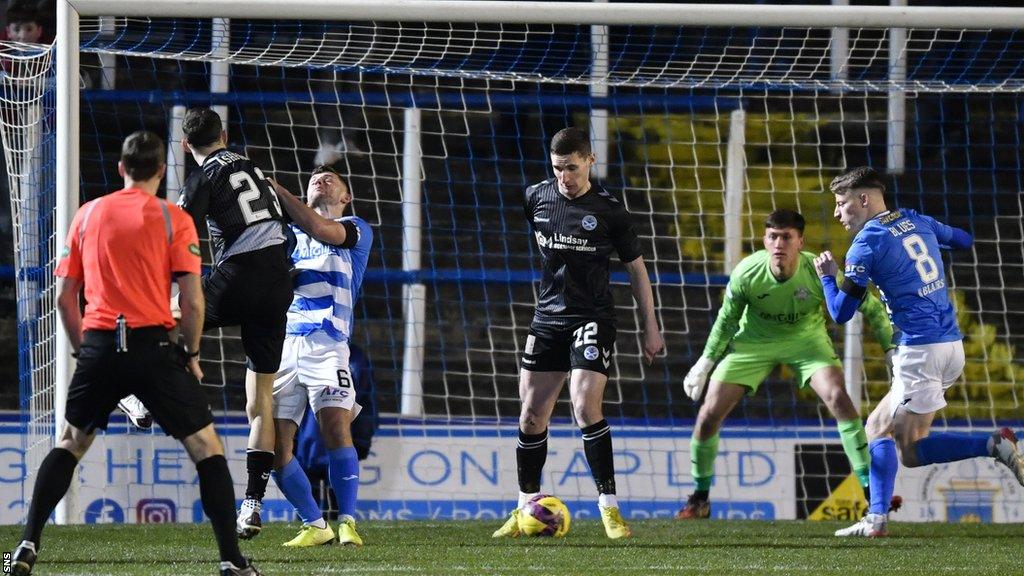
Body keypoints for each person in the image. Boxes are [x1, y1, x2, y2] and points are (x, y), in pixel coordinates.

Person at [7, 132, 259, 576]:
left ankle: (27, 544)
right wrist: (193, 351)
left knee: (70, 443)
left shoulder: (87, 215)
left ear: (121, 169)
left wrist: (84, 350)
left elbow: (65, 298)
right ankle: (231, 561)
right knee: (206, 448)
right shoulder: (172, 220)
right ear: (161, 172)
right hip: (153, 347)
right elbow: (194, 300)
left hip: (101, 345)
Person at [816, 166, 1024, 537]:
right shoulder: (915, 219)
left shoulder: (865, 244)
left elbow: (840, 312)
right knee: (881, 432)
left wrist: (828, 277)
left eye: (841, 203)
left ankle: (993, 445)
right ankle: (876, 520)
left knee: (905, 447)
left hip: (920, 351)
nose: (837, 213)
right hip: (950, 345)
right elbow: (963, 239)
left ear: (863, 200)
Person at [493, 127, 664, 540]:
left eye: (571, 167)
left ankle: (609, 508)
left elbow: (636, 269)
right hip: (548, 319)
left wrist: (651, 326)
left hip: (593, 317)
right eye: (557, 168)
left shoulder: (610, 211)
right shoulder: (536, 196)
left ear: (589, 161)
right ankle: (524, 508)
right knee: (531, 416)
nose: (564, 177)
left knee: (585, 406)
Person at [677, 209, 895, 519]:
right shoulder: (746, 274)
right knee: (708, 414)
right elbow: (726, 322)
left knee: (838, 397)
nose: (779, 243)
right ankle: (699, 498)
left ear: (800, 242)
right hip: (753, 342)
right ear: (765, 241)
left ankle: (870, 492)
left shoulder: (819, 271)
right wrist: (705, 363)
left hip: (806, 341)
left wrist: (890, 352)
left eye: (786, 237)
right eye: (773, 237)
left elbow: (871, 308)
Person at [179, 107, 295, 539]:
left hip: (238, 276)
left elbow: (181, 231)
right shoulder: (253, 165)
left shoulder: (205, 174)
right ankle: (251, 505)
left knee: (162, 318)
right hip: (278, 282)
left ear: (186, 145)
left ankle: (138, 395)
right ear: (224, 134)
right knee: (260, 401)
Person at [264, 165, 373, 547]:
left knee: (334, 429)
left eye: (331, 180)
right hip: (286, 346)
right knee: (275, 446)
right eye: (313, 179)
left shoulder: (355, 228)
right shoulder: (284, 237)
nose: (320, 180)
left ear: (346, 197)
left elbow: (321, 229)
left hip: (328, 344)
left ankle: (347, 522)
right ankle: (314, 523)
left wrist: (276, 189)